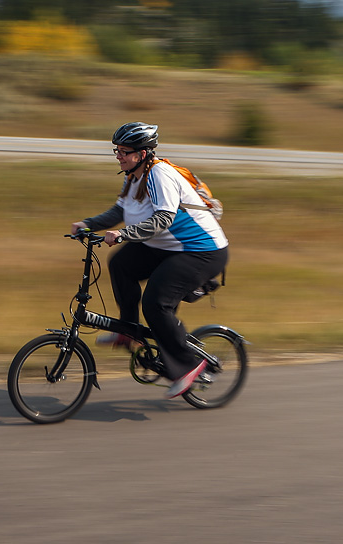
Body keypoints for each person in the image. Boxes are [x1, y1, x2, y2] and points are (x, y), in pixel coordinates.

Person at [71, 122, 229, 399]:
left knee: (156, 303)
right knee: (121, 264)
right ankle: (128, 331)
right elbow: (121, 209)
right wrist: (88, 224)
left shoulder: (160, 175)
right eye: (116, 150)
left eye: (124, 151)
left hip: (201, 251)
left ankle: (189, 367)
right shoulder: (133, 176)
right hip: (167, 248)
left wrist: (123, 234)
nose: (118, 155)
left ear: (143, 153)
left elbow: (162, 219)